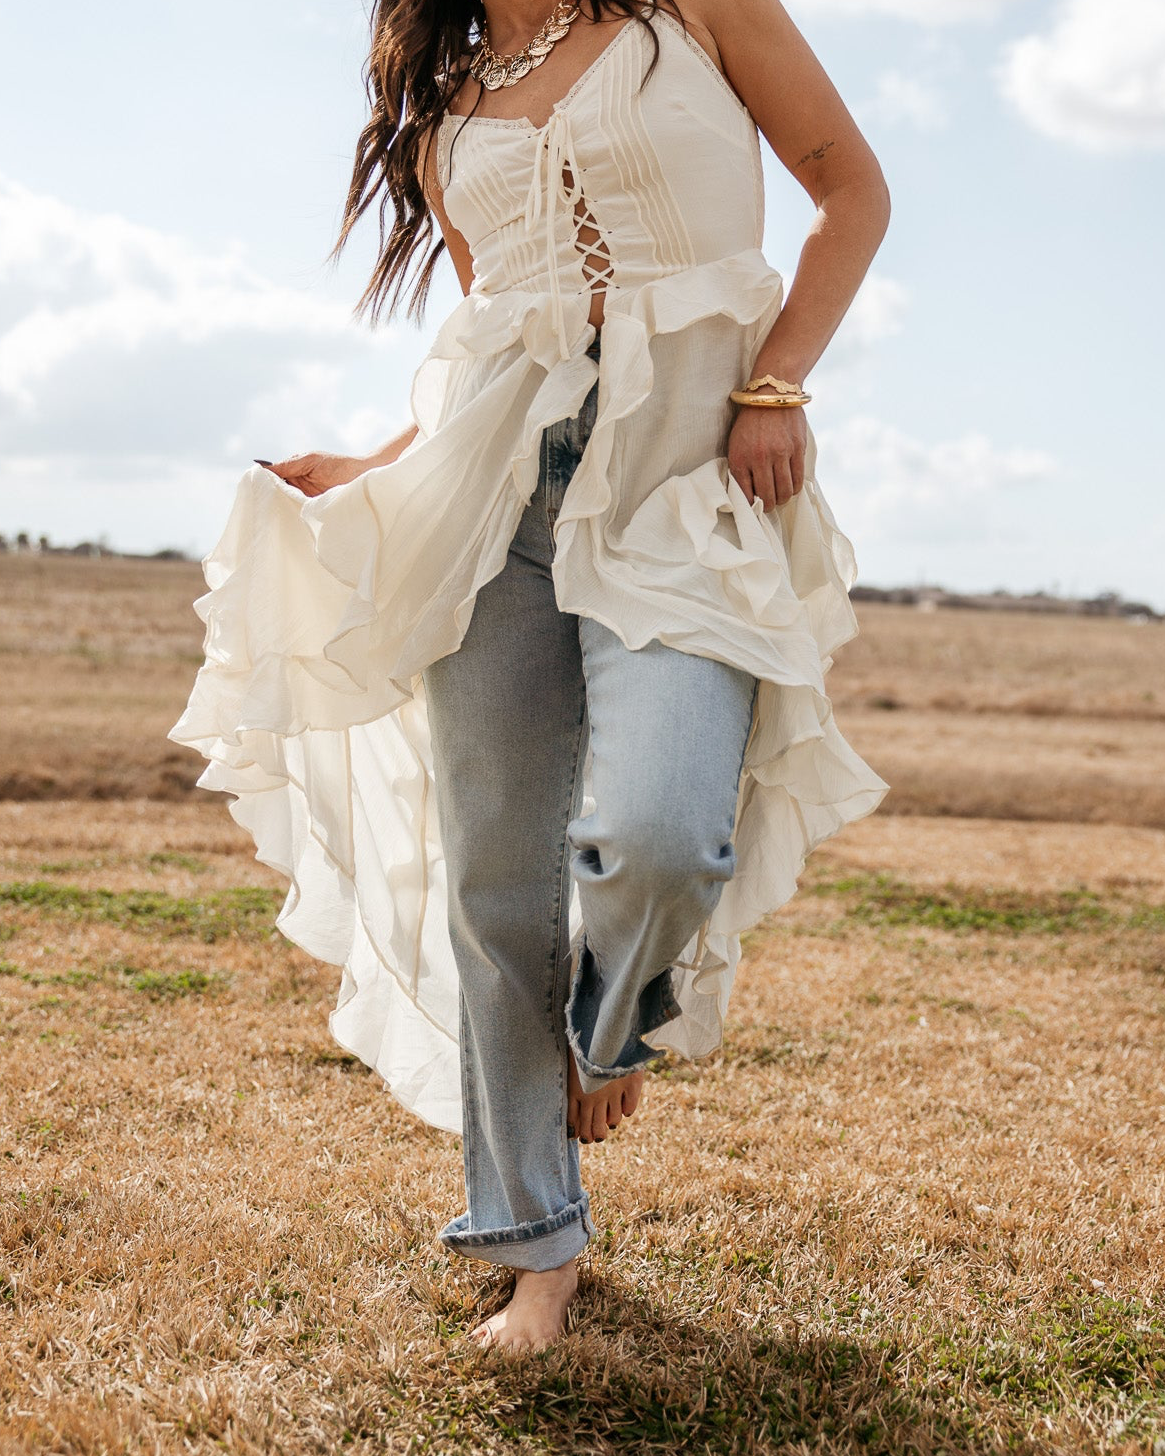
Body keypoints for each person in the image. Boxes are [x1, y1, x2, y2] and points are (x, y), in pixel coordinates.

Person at [171, 0, 892, 1354]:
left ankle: (605, 1033)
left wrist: (778, 384)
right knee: (497, 886)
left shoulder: (698, 15)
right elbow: (494, 346)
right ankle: (533, 1254)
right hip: (491, 505)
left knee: (665, 828)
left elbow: (852, 192)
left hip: (685, 486)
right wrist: (381, 465)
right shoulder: (448, 111)